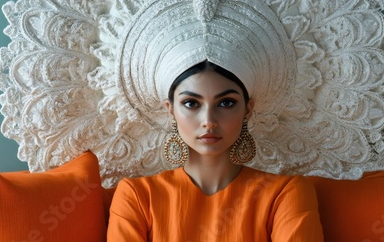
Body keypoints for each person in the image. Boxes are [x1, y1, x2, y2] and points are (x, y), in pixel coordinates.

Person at [107, 60, 324, 241]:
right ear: (170, 110)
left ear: (248, 110)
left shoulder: (285, 194)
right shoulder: (137, 196)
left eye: (226, 103)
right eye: (192, 103)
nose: (209, 121)